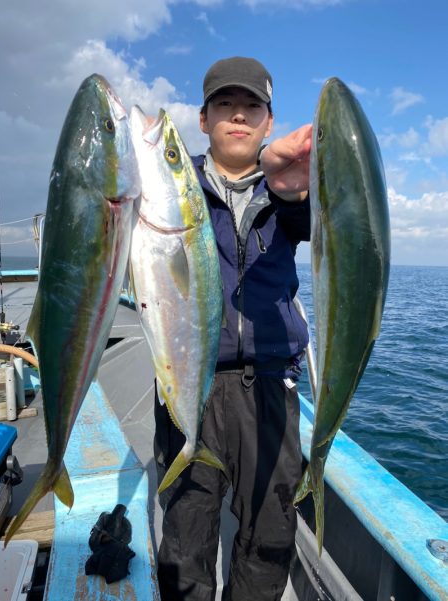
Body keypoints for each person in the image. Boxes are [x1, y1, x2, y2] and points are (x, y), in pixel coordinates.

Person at [154, 56, 312, 601]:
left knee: (269, 539)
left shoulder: (290, 190)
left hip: (270, 388)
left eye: (252, 106)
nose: (238, 116)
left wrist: (293, 191)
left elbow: (311, 222)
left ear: (270, 121)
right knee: (185, 538)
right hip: (188, 383)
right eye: (225, 104)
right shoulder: (173, 187)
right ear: (203, 119)